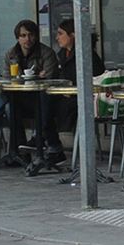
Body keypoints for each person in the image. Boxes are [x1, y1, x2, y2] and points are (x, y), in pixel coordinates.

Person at [0, 20, 59, 149]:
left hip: (40, 98)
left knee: (9, 103)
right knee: (9, 105)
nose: (27, 39)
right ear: (18, 38)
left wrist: (26, 79)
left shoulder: (46, 52)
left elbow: (49, 78)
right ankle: (20, 149)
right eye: (23, 35)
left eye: (31, 35)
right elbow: (7, 79)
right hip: (18, 96)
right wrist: (36, 75)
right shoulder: (11, 54)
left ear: (36, 36)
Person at [43, 19, 106, 161]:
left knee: (49, 108)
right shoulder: (63, 54)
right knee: (42, 102)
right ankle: (49, 142)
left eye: (61, 34)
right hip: (66, 95)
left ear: (72, 35)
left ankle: (49, 143)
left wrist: (71, 88)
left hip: (85, 98)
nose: (57, 37)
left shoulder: (87, 55)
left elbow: (95, 80)